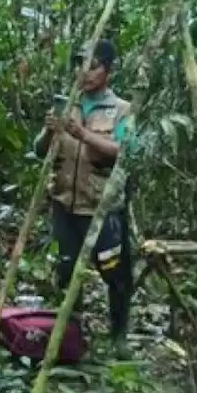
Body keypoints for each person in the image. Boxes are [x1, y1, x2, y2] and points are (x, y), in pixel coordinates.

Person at [32, 39, 135, 355]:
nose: (84, 72)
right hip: (65, 204)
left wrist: (83, 135)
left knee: (114, 274)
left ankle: (118, 337)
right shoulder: (68, 104)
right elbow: (39, 151)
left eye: (92, 65)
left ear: (109, 70)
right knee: (66, 272)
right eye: (80, 64)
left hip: (102, 208)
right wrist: (51, 130)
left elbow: (125, 153)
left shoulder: (122, 110)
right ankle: (71, 337)